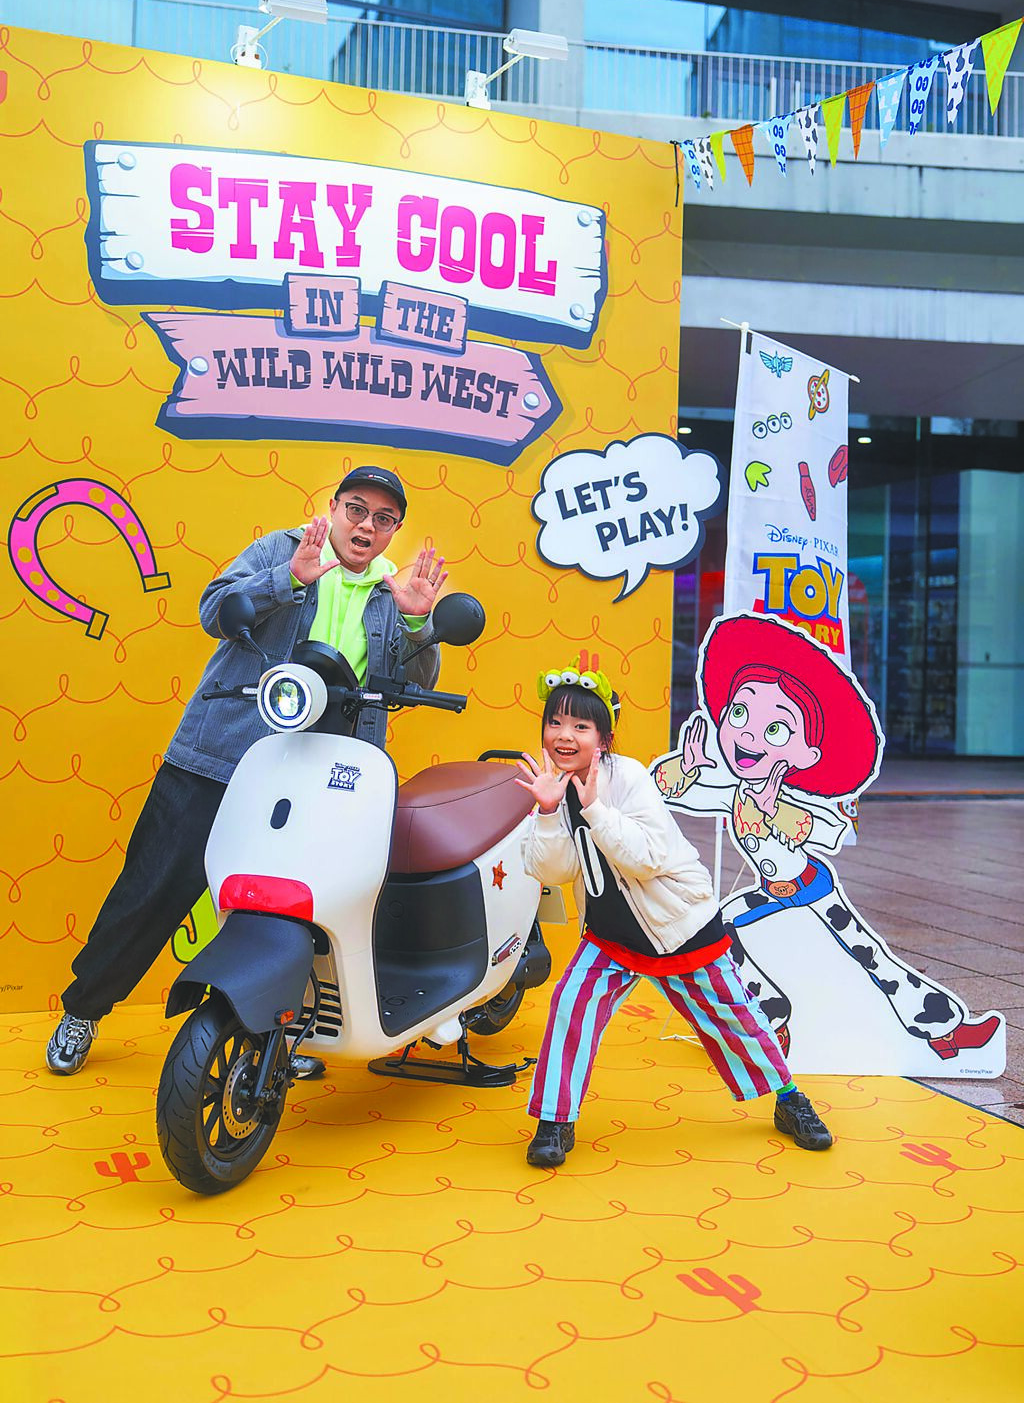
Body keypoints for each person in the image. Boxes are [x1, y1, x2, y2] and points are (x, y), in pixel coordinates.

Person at [46, 464, 447, 1077]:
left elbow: (415, 686)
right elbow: (215, 610)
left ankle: (279, 1037)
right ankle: (83, 1010)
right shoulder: (283, 550)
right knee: (153, 887)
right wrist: (287, 579)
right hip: (222, 754)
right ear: (334, 507)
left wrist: (418, 622)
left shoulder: (393, 591)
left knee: (309, 906)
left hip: (324, 781)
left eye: (383, 518)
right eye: (356, 509)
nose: (367, 525)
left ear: (394, 530)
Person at [516, 658, 832, 1169]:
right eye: (555, 722)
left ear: (604, 737)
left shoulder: (629, 778)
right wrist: (550, 812)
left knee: (735, 1016)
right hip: (611, 935)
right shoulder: (550, 787)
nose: (565, 735)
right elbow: (551, 869)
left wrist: (594, 809)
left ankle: (789, 1099)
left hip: (679, 926)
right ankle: (555, 1119)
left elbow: (646, 858)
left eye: (580, 726)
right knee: (570, 1006)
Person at [653, 613, 1001, 1063]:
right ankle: (769, 1019)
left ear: (806, 754)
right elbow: (672, 790)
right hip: (770, 892)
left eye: (775, 729)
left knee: (872, 958)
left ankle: (945, 1029)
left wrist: (775, 809)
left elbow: (829, 829)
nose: (748, 734)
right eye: (739, 713)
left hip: (813, 886)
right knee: (718, 928)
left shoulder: (791, 796)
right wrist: (687, 766)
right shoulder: (735, 791)